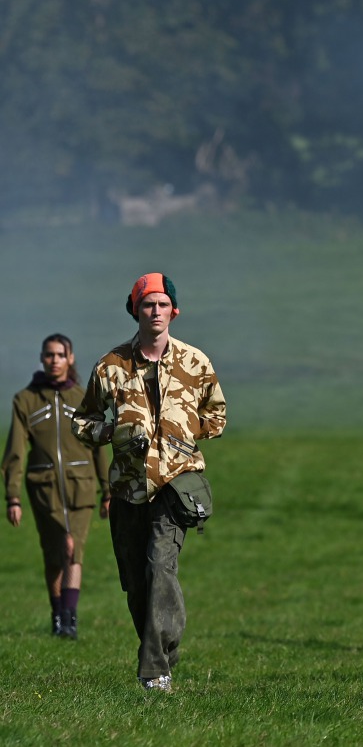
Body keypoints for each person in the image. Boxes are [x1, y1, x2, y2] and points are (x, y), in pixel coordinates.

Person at [72, 273, 226, 693]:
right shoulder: (110, 365)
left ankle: (154, 669)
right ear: (135, 310)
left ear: (173, 311)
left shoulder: (196, 362)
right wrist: (113, 432)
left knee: (161, 567)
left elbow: (218, 415)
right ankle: (160, 654)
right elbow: (82, 421)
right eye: (147, 305)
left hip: (176, 485)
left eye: (162, 305)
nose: (155, 312)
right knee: (137, 584)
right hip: (127, 488)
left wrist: (184, 429)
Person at [4, 334, 110, 639]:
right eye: (49, 355)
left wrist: (109, 490)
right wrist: (13, 497)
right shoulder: (25, 400)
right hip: (44, 490)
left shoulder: (83, 399)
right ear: (42, 358)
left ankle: (69, 619)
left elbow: (98, 447)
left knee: (73, 548)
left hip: (82, 487)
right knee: (54, 554)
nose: (54, 360)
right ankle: (57, 614)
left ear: (70, 358)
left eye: (60, 355)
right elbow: (14, 452)